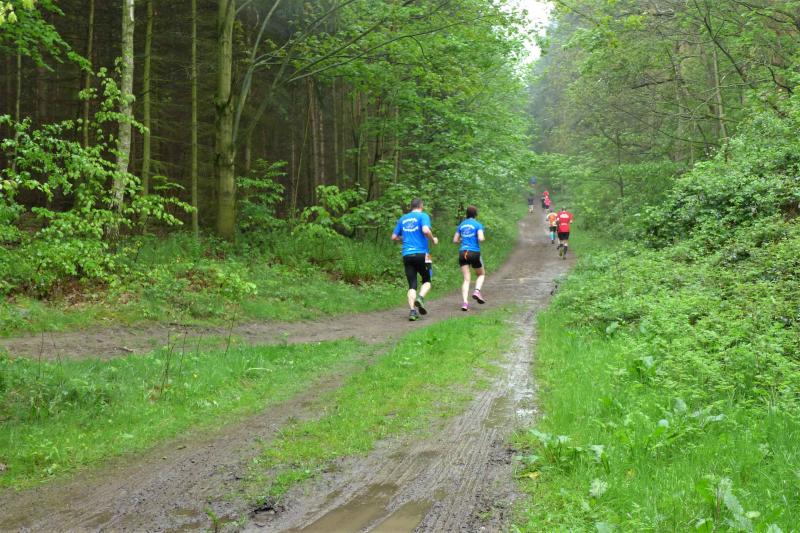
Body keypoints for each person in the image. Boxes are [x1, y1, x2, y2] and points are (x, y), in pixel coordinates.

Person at [391, 198, 438, 321]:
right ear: (421, 206)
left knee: (412, 285)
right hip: (424, 254)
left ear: (411, 206)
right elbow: (425, 230)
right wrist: (433, 240)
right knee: (427, 280)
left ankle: (412, 311)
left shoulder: (403, 219)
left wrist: (404, 239)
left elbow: (394, 237)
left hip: (407, 255)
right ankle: (420, 298)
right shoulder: (423, 216)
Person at [453, 205, 486, 311]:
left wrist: (462, 240)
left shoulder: (461, 225)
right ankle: (477, 291)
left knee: (466, 279)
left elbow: (455, 240)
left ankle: (465, 303)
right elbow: (481, 238)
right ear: (476, 214)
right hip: (474, 252)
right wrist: (479, 237)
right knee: (481, 274)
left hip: (463, 252)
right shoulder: (478, 225)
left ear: (466, 214)